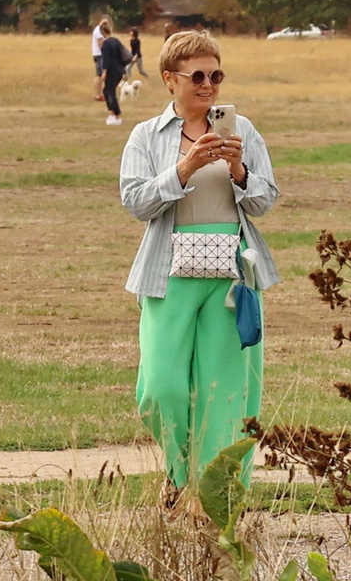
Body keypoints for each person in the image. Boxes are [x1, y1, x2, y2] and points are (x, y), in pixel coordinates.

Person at [119, 29, 279, 494]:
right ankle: (180, 475)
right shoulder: (146, 135)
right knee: (161, 389)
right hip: (167, 272)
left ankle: (217, 496)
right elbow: (135, 202)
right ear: (169, 79)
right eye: (198, 76)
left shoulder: (242, 129)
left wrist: (239, 170)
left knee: (226, 393)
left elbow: (265, 199)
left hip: (232, 275)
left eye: (216, 74)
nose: (209, 84)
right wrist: (183, 168)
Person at [98, 27, 130, 126]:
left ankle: (117, 115)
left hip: (111, 71)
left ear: (103, 32)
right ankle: (112, 113)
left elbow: (106, 59)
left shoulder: (106, 43)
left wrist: (104, 72)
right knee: (106, 91)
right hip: (119, 70)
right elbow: (122, 56)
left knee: (110, 92)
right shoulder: (116, 41)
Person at [90, 19, 112, 101]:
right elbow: (101, 44)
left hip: (99, 54)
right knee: (99, 75)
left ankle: (101, 94)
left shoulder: (98, 29)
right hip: (99, 55)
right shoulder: (99, 31)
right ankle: (98, 95)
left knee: (101, 74)